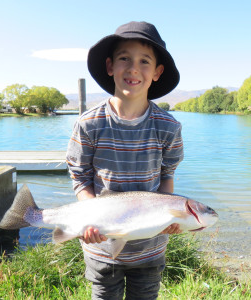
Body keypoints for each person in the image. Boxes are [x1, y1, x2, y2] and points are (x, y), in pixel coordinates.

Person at [66, 21, 184, 299]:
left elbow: (167, 175)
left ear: (157, 72)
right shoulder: (88, 124)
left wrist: (169, 216)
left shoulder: (169, 127)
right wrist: (91, 216)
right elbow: (80, 176)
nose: (133, 68)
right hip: (101, 247)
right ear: (110, 66)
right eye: (124, 59)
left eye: (144, 61)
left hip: (151, 248)